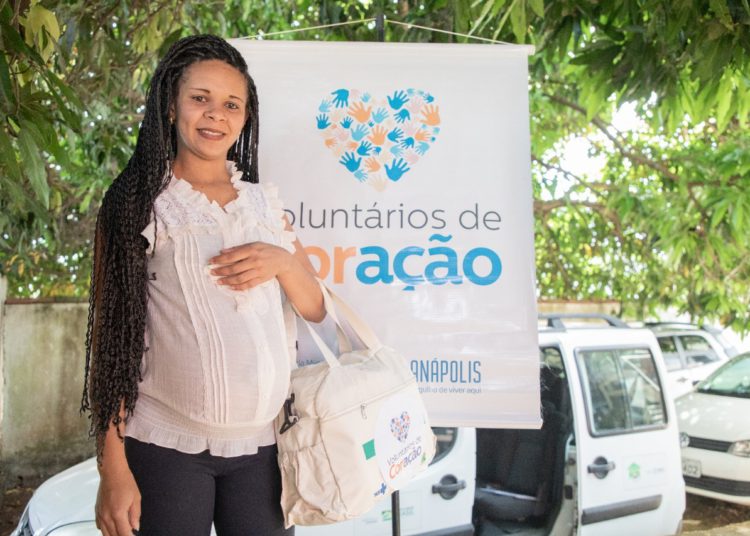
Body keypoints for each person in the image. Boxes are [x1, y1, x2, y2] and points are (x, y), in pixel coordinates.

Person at [80, 34, 324, 536]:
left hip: (264, 450)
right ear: (170, 106)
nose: (216, 115)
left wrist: (281, 260)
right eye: (200, 99)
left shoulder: (263, 204)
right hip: (166, 450)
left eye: (231, 104)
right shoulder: (137, 204)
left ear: (245, 117)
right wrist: (113, 467)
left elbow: (316, 308)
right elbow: (110, 344)